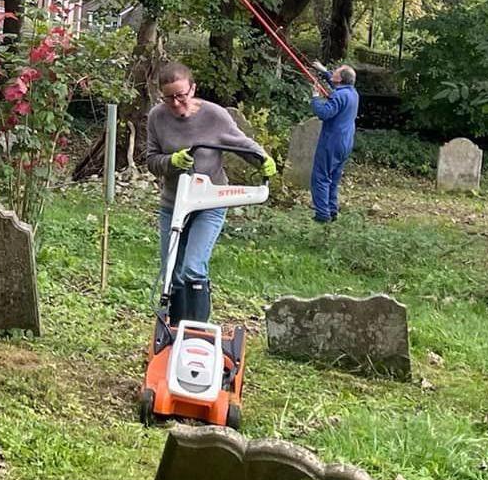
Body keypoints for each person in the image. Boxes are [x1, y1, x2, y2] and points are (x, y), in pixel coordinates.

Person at [144, 63, 276, 323]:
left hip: (209, 202)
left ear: (193, 89)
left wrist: (263, 159)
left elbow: (241, 144)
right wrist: (172, 162)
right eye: (169, 98)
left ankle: (196, 330)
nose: (177, 103)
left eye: (181, 95)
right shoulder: (157, 118)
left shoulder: (215, 116)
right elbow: (151, 161)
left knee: (192, 267)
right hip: (174, 204)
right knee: (171, 270)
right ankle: (174, 327)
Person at [308, 63, 359, 223]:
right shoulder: (352, 93)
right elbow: (336, 86)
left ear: (340, 78)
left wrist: (315, 98)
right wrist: (324, 72)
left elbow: (324, 113)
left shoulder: (339, 95)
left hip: (332, 141)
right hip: (346, 142)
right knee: (333, 178)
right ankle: (332, 209)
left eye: (335, 72)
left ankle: (322, 215)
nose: (333, 73)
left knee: (321, 177)